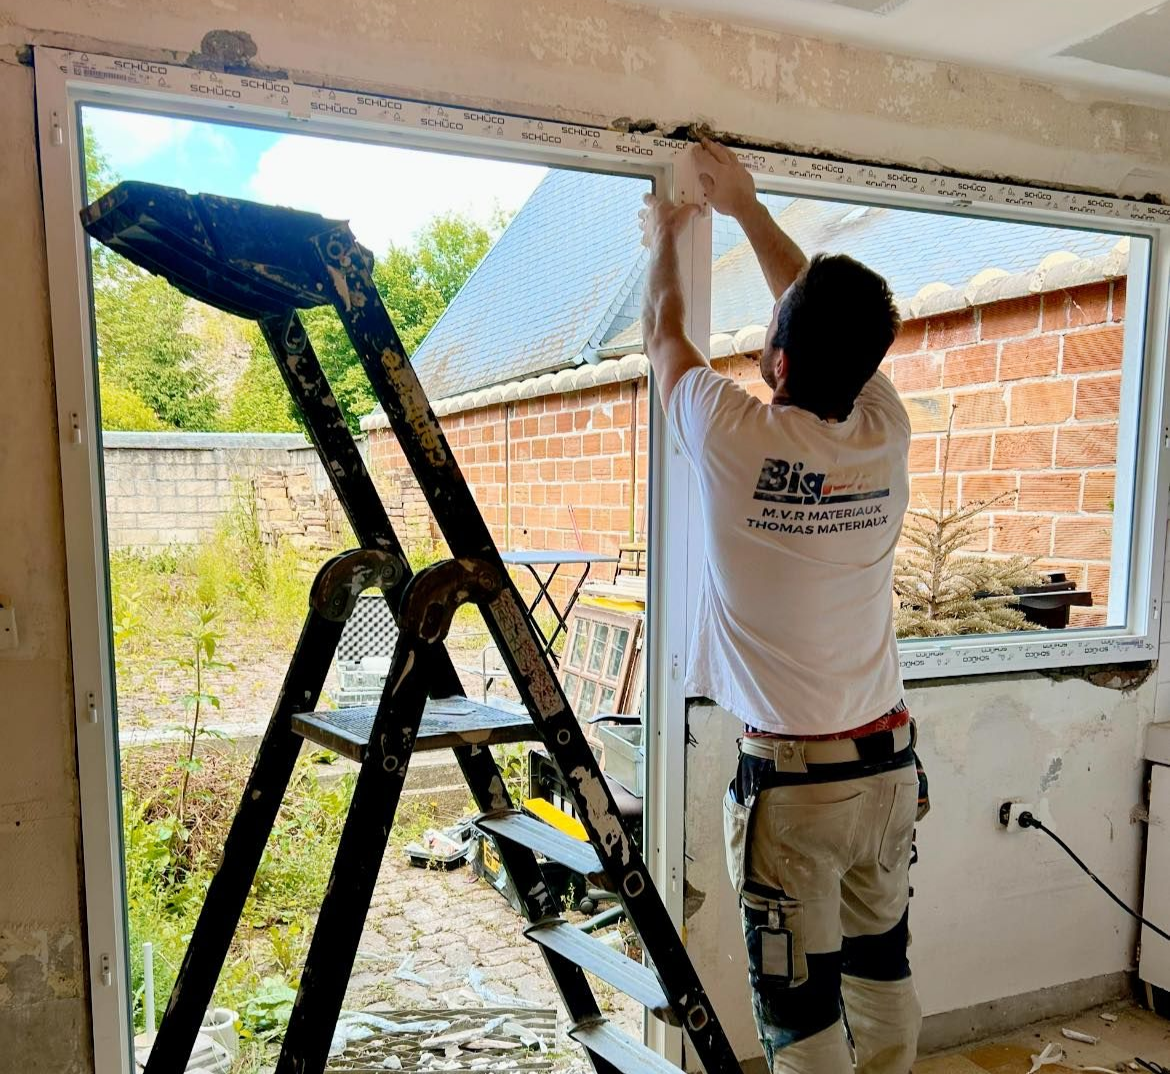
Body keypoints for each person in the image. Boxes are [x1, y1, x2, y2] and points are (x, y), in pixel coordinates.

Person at [638, 139, 921, 1074]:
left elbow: (663, 341)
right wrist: (750, 209)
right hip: (884, 777)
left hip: (798, 791)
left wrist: (669, 233)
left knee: (799, 1019)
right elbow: (820, 315)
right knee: (882, 976)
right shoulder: (884, 428)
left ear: (776, 358)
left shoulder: (729, 430)